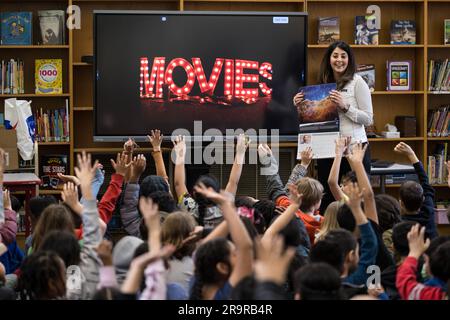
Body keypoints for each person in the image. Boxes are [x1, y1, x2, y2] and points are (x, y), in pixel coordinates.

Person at [293, 41, 373, 212]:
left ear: (349, 59)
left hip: (354, 150)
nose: (339, 60)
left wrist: (345, 107)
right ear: (329, 59)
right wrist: (300, 105)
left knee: (357, 198)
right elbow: (315, 116)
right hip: (329, 149)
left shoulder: (358, 82)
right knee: (328, 196)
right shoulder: (324, 83)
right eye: (335, 56)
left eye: (343, 56)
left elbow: (368, 119)